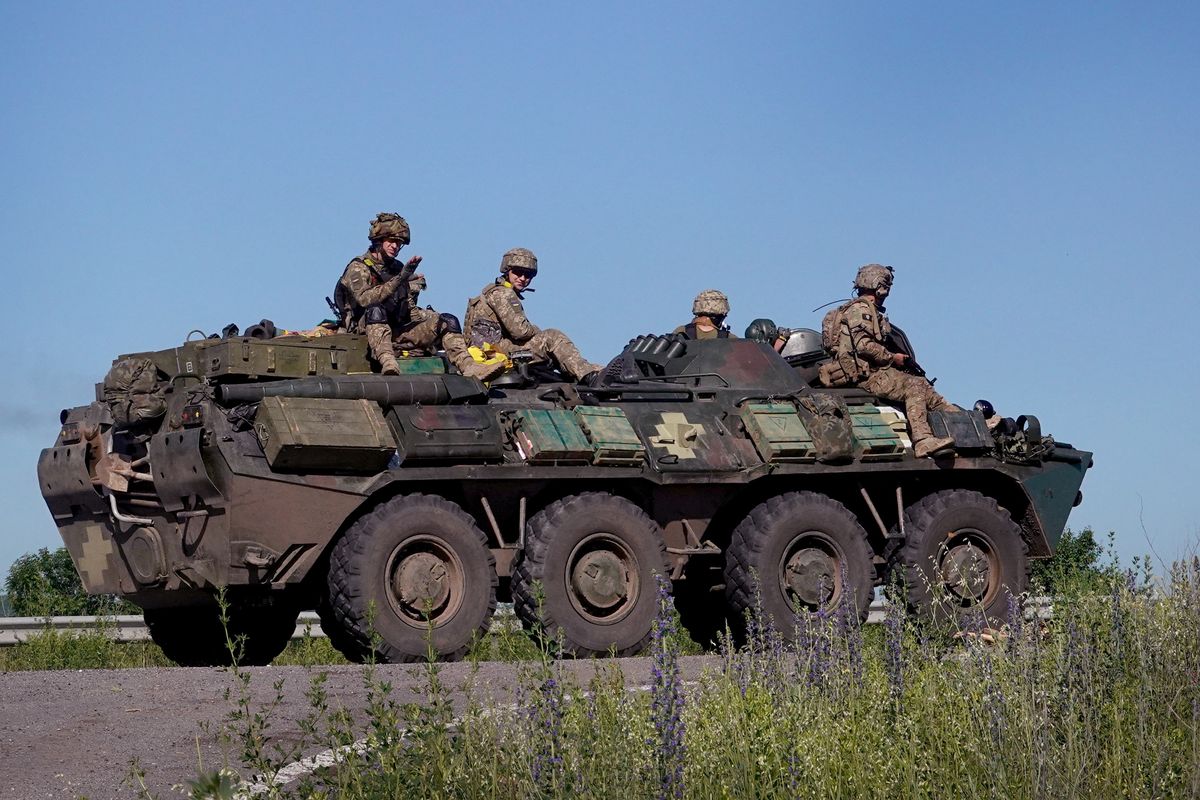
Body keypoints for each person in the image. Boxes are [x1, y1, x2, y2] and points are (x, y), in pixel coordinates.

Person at [819, 264, 959, 458]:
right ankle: (923, 440)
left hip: (867, 372)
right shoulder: (861, 310)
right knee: (914, 387)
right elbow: (863, 345)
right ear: (879, 286)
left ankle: (960, 420)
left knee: (924, 387)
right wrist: (893, 358)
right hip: (866, 375)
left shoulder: (858, 309)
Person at [463, 247, 600, 382]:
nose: (523, 278)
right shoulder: (503, 293)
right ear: (507, 271)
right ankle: (589, 377)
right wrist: (537, 330)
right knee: (552, 337)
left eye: (528, 275)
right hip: (495, 354)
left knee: (556, 352)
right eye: (518, 272)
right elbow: (521, 331)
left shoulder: (493, 292)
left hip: (490, 351)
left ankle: (593, 371)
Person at [334, 212, 425, 375]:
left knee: (447, 321)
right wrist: (399, 279)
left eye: (399, 243)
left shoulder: (397, 267)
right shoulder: (358, 267)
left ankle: (469, 367)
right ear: (378, 241)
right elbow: (365, 299)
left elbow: (408, 305)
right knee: (376, 310)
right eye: (391, 241)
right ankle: (388, 361)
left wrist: (412, 288)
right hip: (365, 326)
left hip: (395, 325)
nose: (395, 246)